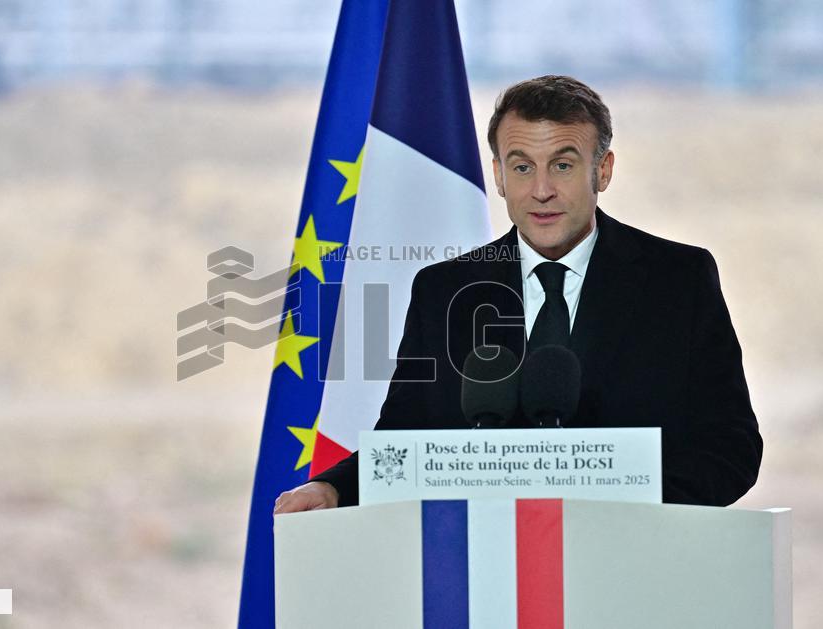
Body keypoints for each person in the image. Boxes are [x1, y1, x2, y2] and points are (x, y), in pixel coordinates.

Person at [274, 75, 762, 514]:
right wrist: (335, 488)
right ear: (499, 177)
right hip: (485, 573)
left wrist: (634, 509)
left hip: (636, 567)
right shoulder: (444, 290)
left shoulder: (678, 279)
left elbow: (730, 445)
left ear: (603, 171)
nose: (542, 190)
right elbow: (407, 436)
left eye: (563, 165)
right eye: (523, 167)